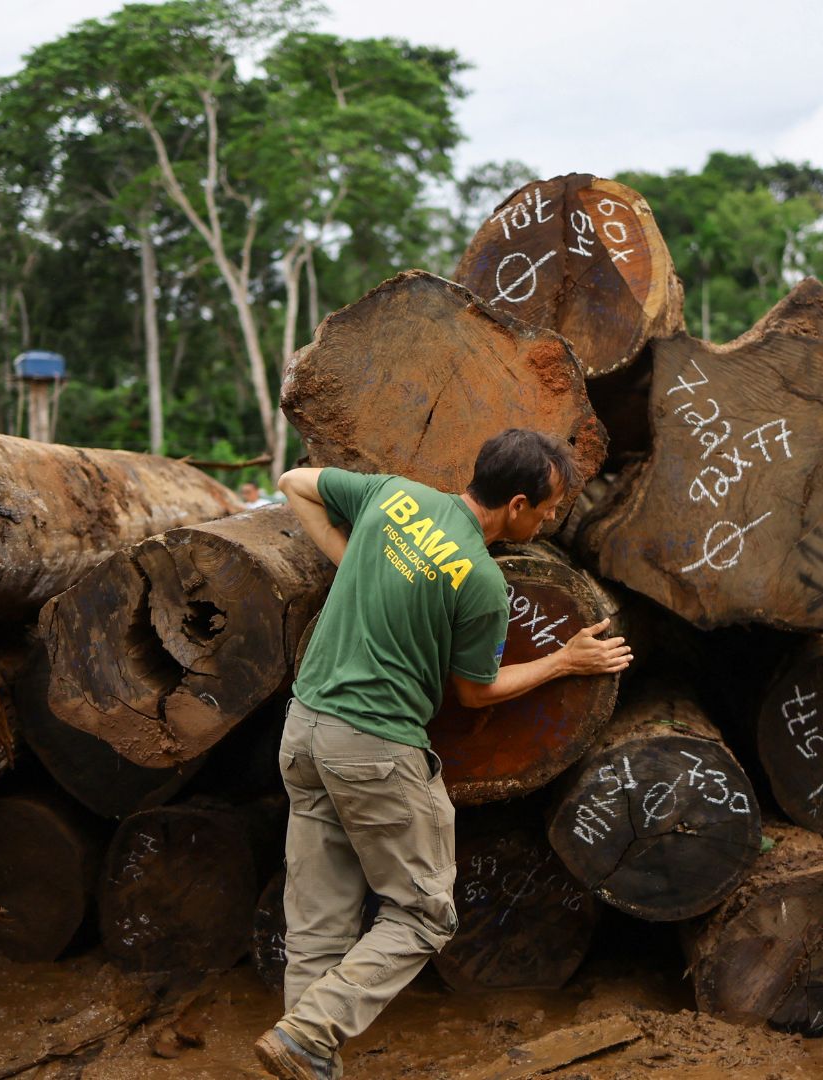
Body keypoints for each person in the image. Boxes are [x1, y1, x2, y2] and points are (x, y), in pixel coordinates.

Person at [257, 429, 632, 1080]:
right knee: (424, 914)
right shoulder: (481, 581)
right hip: (375, 749)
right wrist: (565, 660)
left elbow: (293, 484)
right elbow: (478, 692)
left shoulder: (393, 496)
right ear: (516, 505)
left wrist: (356, 562)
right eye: (548, 508)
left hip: (306, 731)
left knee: (319, 922)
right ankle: (309, 1033)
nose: (550, 520)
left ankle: (307, 1050)